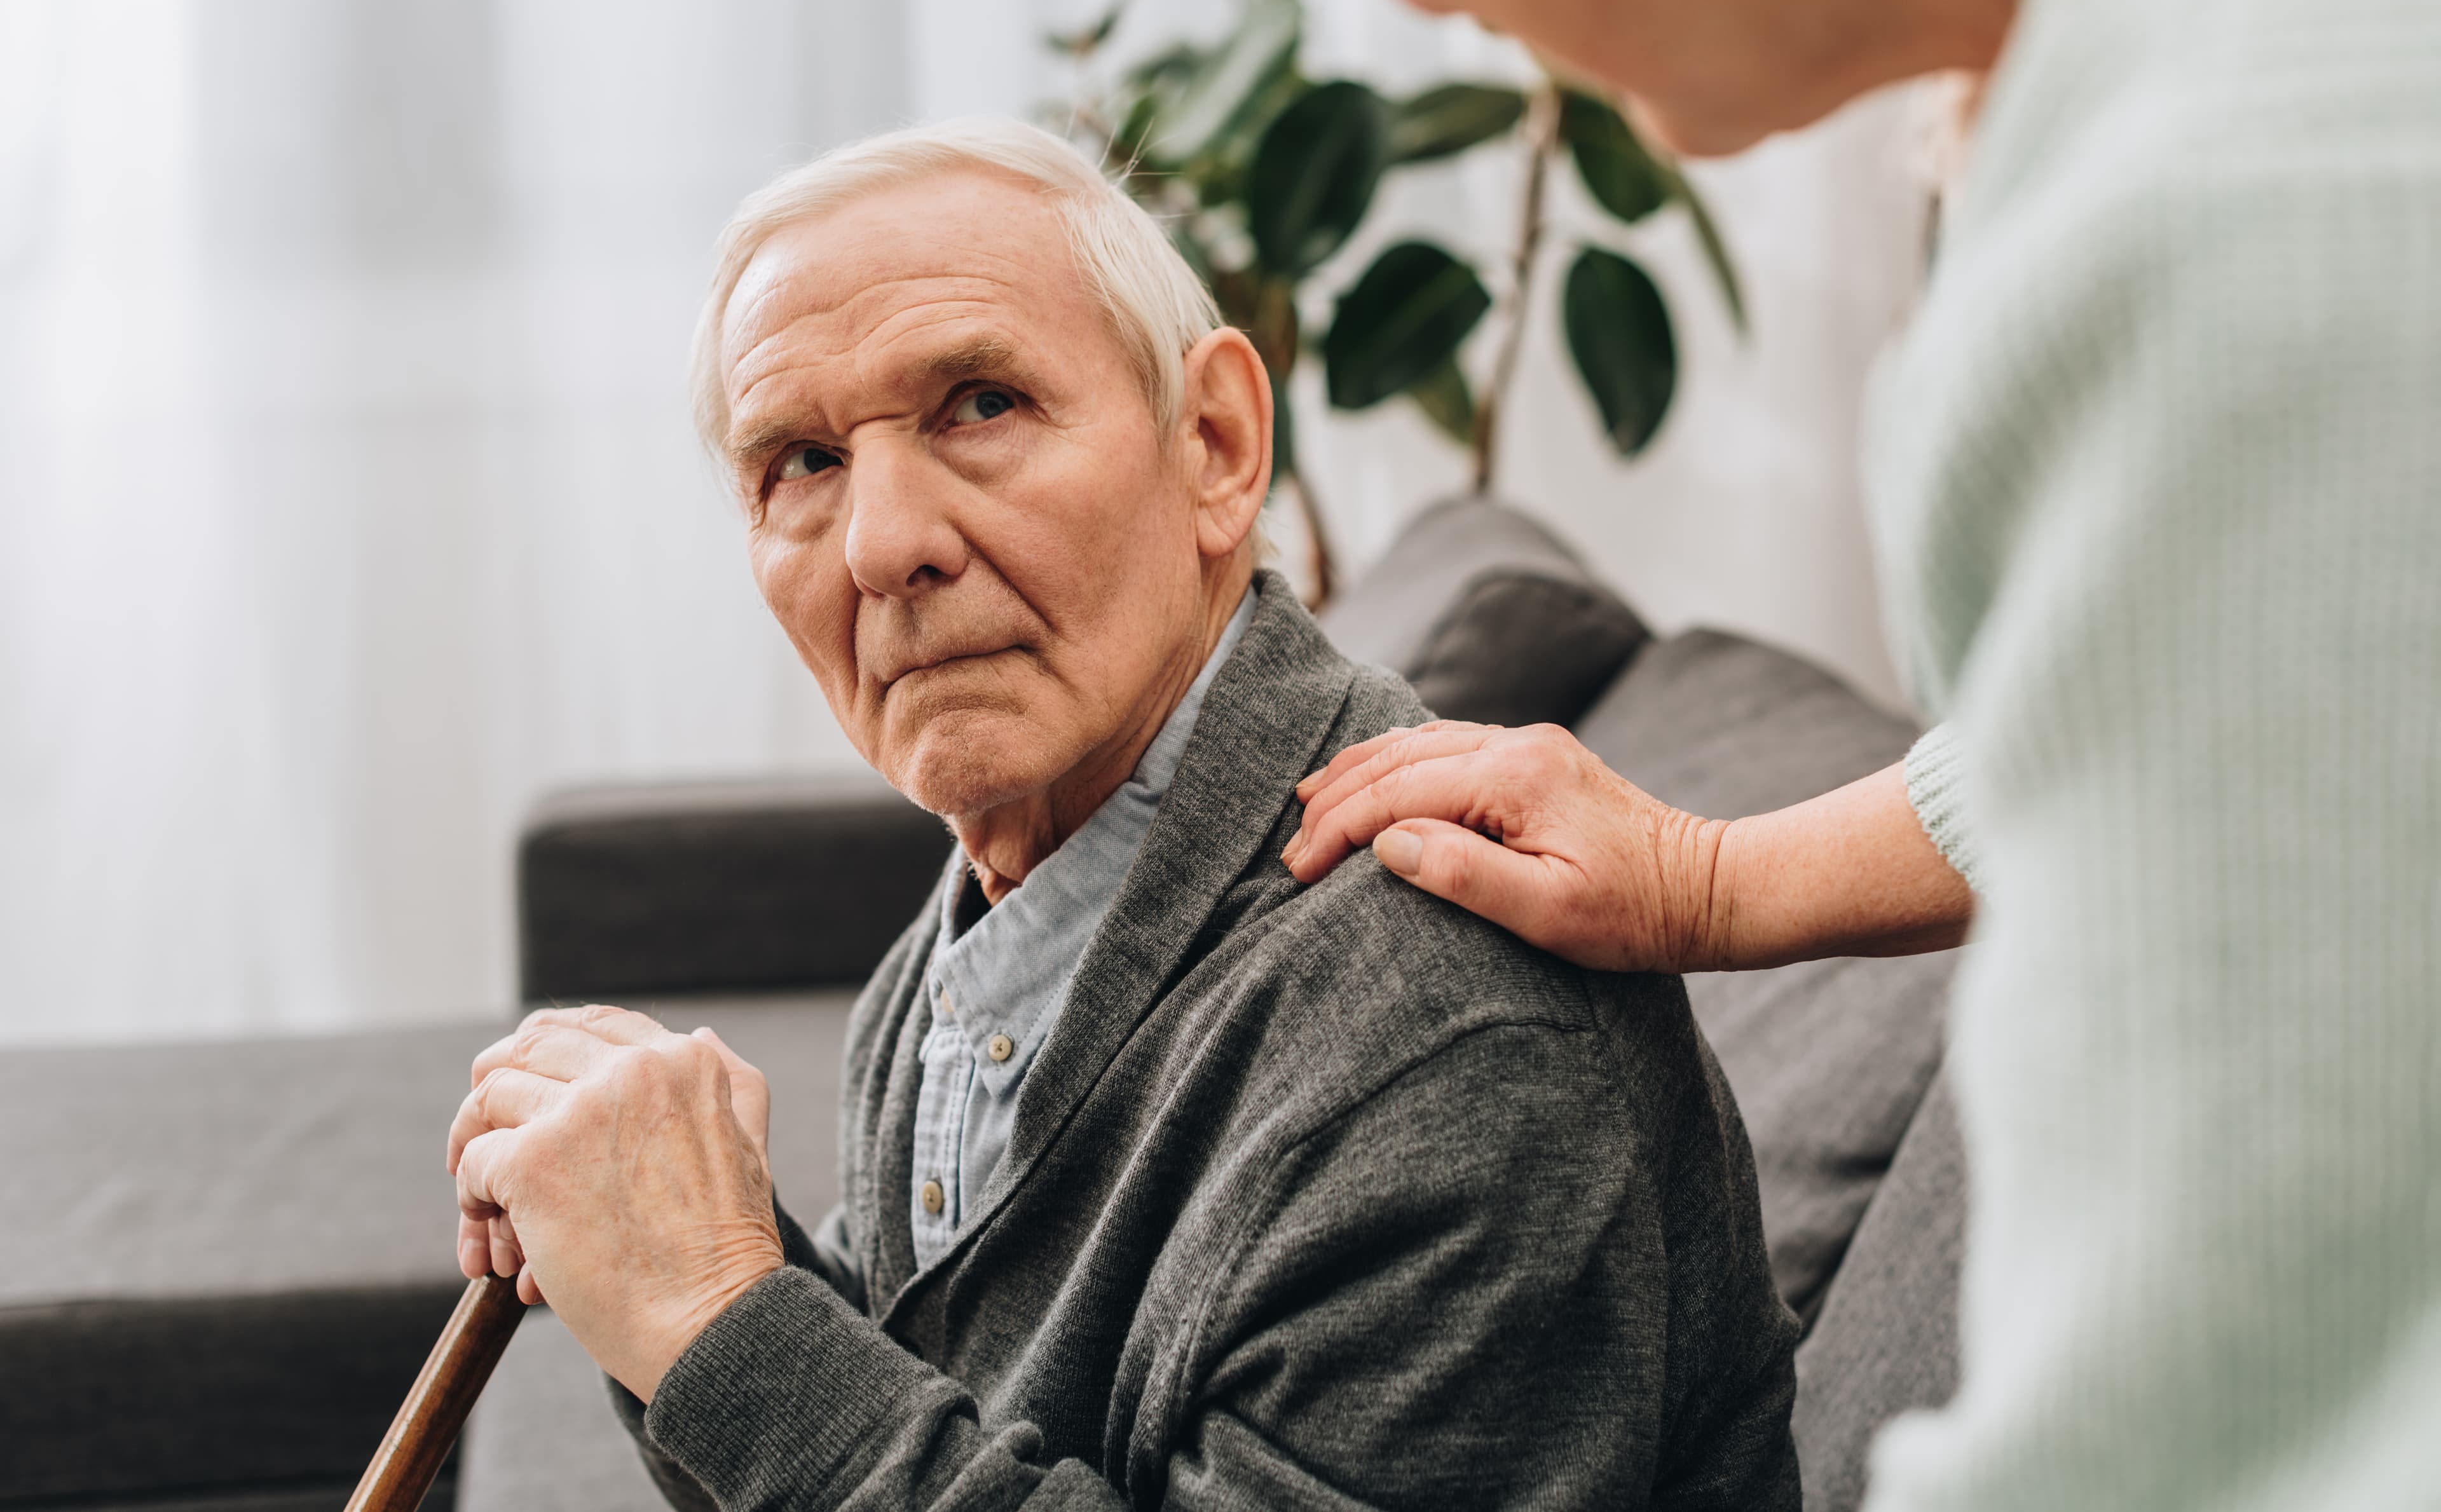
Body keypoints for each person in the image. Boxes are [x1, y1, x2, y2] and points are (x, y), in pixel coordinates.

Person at [444, 119, 1802, 1511]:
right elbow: (925, 1412)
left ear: (1215, 445)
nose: (881, 544)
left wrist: (720, 1321)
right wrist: (671, 1237)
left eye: (980, 403)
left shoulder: (1448, 1046)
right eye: (800, 461)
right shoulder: (991, 919)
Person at [1294, 0, 2441, 1509]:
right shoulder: (2266, 20)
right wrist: (1713, 876)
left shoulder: (2239, 215)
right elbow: (2260, 681)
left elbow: (2202, 1439)